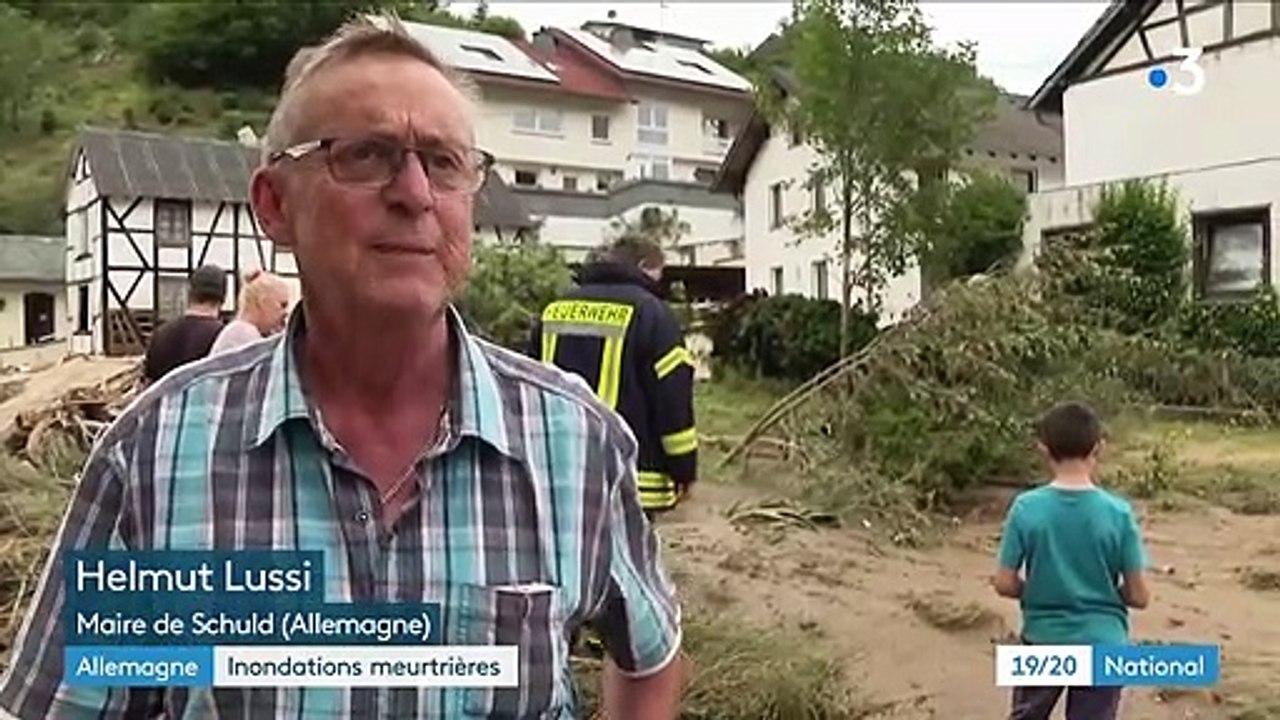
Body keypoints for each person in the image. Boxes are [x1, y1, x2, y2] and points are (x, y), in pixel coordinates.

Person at [0, 14, 683, 720]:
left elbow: (651, 658)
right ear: (274, 204)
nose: (415, 193)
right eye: (367, 154)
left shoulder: (574, 443)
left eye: (444, 162)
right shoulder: (158, 457)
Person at [992, 401, 1151, 720]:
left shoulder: (1026, 508)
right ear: (1099, 448)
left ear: (1043, 449)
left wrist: (1038, 591)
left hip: (1043, 638)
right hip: (1104, 642)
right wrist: (1106, 594)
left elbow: (1004, 583)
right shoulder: (1119, 514)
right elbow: (1139, 596)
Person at [529, 234, 698, 517]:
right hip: (629, 478)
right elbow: (672, 399)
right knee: (626, 559)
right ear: (645, 266)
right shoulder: (652, 314)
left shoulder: (554, 310)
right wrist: (684, 468)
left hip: (558, 470)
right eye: (659, 274)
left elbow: (527, 385)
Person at [140, 263, 226, 384]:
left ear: (190, 292)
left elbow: (147, 386)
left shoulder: (160, 335)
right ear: (223, 297)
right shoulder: (224, 338)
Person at [208, 268, 291, 355]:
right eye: (283, 305)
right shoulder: (245, 334)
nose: (286, 312)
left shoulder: (239, 329)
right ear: (262, 302)